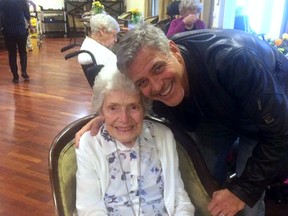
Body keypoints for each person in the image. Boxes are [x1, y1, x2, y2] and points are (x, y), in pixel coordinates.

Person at [76, 23, 288, 216]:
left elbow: (280, 133)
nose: (157, 86)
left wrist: (242, 190)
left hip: (267, 116)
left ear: (174, 51)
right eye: (143, 82)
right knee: (201, 175)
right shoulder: (150, 82)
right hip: (217, 109)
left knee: (248, 203)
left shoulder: (233, 59)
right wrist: (104, 113)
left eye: (158, 68)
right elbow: (123, 91)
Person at [75, 65, 195, 215]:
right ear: (101, 111)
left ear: (144, 108)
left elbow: (180, 200)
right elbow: (89, 209)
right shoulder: (90, 145)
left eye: (133, 107)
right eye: (113, 108)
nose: (124, 119)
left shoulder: (163, 136)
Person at [0, 0, 30, 83]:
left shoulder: (3, 2)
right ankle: (24, 71)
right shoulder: (21, 1)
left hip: (8, 31)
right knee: (23, 52)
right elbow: (27, 16)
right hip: (20, 30)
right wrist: (30, 26)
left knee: (12, 54)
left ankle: (15, 76)